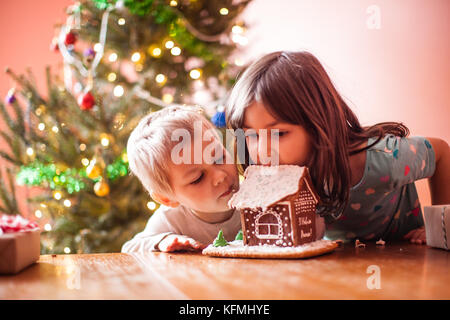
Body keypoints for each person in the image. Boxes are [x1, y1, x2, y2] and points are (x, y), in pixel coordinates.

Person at [226, 51, 450, 244]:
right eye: (252, 135)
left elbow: (440, 152)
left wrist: (440, 229)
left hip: (406, 261)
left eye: (280, 133)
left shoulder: (382, 160)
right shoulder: (276, 178)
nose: (263, 152)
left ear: (318, 123)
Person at [121, 106, 242, 253]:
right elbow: (130, 249)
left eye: (219, 157)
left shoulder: (256, 196)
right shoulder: (172, 219)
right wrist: (162, 241)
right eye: (198, 178)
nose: (220, 176)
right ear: (166, 198)